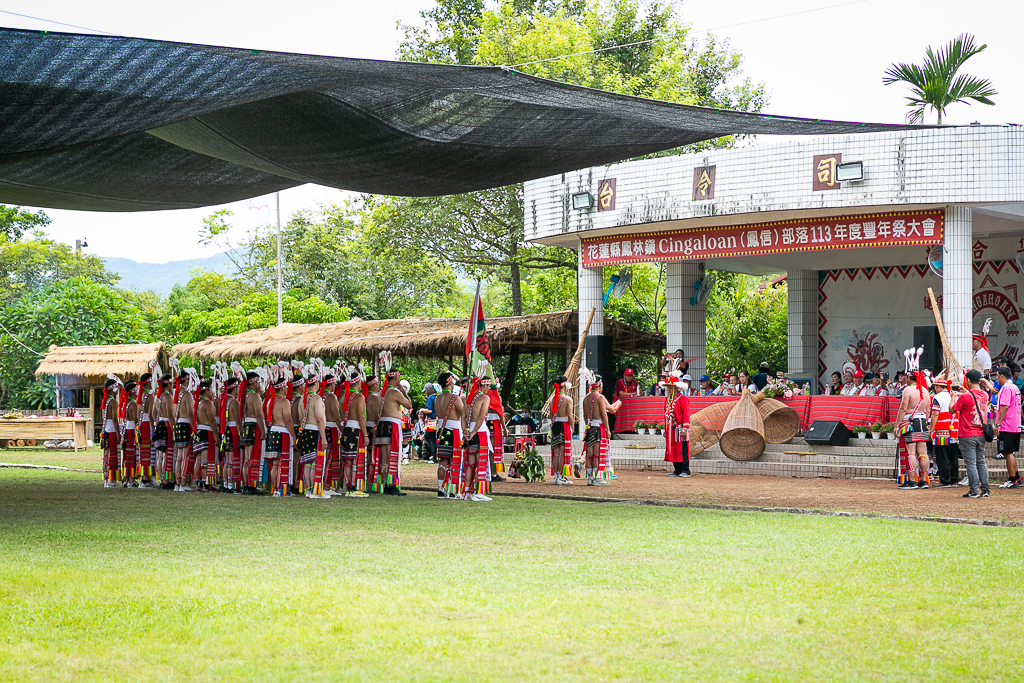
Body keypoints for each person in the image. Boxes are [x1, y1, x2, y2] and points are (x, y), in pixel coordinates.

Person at [952, 370, 990, 498]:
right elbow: (974, 398)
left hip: (967, 434)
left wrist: (953, 397)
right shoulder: (985, 395)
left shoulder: (965, 397)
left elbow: (952, 409)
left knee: (971, 464)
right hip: (981, 433)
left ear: (968, 380)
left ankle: (974, 490)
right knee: (981, 462)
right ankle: (985, 489)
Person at [894, 368, 932, 489]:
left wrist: (897, 425)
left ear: (909, 377)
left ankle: (911, 481)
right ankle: (923, 480)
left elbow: (903, 409)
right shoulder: (925, 391)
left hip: (911, 422)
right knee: (923, 452)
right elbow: (927, 410)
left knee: (911, 452)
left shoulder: (908, 390)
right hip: (923, 422)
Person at [376, 368, 412, 496]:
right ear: (396, 379)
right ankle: (392, 486)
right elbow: (409, 405)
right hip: (392, 426)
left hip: (382, 425)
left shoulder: (381, 392)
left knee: (384, 458)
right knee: (393, 456)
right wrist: (404, 392)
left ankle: (386, 484)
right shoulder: (395, 392)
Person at [462, 376, 493, 502]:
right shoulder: (485, 398)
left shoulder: (467, 399)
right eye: (489, 386)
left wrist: (466, 432)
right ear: (484, 385)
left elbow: (463, 418)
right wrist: (474, 432)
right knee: (481, 463)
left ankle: (467, 493)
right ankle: (478, 493)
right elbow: (481, 417)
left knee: (470, 464)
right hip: (479, 433)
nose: (489, 389)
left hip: (469, 433)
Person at [991, 366, 1023, 489]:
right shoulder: (1015, 387)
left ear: (1003, 377)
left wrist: (997, 424)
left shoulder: (1006, 389)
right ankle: (1017, 477)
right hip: (1015, 424)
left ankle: (1012, 479)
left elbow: (1004, 407)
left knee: (1007, 452)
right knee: (1010, 452)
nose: (997, 379)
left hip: (1006, 425)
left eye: (998, 376)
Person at [339, 369, 369, 497]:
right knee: (356, 458)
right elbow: (361, 417)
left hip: (346, 430)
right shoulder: (359, 397)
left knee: (348, 459)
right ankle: (355, 486)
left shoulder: (343, 397)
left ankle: (348, 485)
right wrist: (366, 435)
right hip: (356, 430)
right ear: (357, 383)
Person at [298, 374, 329, 499]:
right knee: (315, 462)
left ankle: (309, 490)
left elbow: (301, 419)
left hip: (305, 432)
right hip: (315, 432)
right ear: (315, 384)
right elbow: (319, 418)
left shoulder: (302, 399)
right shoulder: (316, 399)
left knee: (307, 463)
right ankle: (315, 491)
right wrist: (324, 437)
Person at [434, 371, 464, 499]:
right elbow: (463, 413)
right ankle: (453, 490)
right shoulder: (454, 398)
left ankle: (441, 489)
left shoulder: (437, 398)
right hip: (453, 432)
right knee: (454, 460)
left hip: (441, 431)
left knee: (442, 461)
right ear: (450, 383)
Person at [264, 375, 295, 497]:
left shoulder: (269, 403)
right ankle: (281, 489)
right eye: (286, 387)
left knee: (275, 463)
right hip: (282, 433)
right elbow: (288, 420)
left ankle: (276, 489)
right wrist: (294, 436)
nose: (287, 389)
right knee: (283, 461)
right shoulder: (284, 401)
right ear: (282, 388)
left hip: (272, 431)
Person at [582, 375, 616, 486]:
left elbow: (585, 415)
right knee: (597, 454)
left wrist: (588, 425)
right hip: (598, 428)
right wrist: (607, 429)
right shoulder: (600, 397)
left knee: (589, 454)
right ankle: (597, 478)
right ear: (599, 385)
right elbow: (604, 415)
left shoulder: (586, 398)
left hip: (589, 427)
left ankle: (590, 478)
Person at [239, 371, 267, 496]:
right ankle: (251, 485)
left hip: (246, 426)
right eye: (258, 382)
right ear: (254, 382)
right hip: (254, 426)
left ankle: (246, 484)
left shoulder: (243, 395)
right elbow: (259, 415)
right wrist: (263, 431)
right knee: (252, 457)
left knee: (246, 458)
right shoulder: (254, 396)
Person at [929, 378, 960, 487]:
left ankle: (945, 480)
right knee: (953, 456)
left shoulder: (937, 397)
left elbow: (935, 414)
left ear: (938, 387)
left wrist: (931, 430)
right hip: (954, 431)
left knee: (942, 456)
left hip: (942, 430)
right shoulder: (955, 396)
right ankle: (954, 480)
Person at [547, 375, 575, 485]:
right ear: (564, 385)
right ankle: (560, 477)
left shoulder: (552, 399)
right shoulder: (568, 399)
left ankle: (556, 476)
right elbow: (570, 416)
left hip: (555, 425)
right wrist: (572, 426)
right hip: (564, 426)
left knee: (556, 452)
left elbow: (550, 416)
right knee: (562, 453)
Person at [193, 380, 220, 493]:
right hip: (206, 432)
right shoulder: (207, 403)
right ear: (207, 390)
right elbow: (212, 421)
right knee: (205, 460)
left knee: (198, 460)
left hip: (198, 432)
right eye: (211, 389)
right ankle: (205, 484)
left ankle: (199, 483)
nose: (212, 391)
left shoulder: (198, 402)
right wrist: (216, 435)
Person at [665, 378, 691, 477]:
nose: (667, 389)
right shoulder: (668, 399)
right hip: (671, 430)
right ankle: (677, 469)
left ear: (676, 387)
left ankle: (685, 470)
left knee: (682, 449)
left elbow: (686, 413)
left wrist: (685, 428)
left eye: (669, 387)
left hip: (680, 428)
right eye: (667, 387)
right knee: (674, 449)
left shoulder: (683, 399)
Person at [174, 376, 195, 492]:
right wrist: (194, 427)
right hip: (185, 425)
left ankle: (178, 484)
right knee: (185, 456)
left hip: (178, 424)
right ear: (186, 380)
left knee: (179, 457)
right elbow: (190, 413)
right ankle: (183, 483)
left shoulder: (176, 393)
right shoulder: (186, 394)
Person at [221, 377, 243, 493]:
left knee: (227, 459)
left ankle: (226, 484)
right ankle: (232, 485)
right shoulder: (234, 402)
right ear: (234, 388)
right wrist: (241, 433)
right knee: (233, 459)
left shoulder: (225, 400)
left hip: (227, 430)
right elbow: (238, 421)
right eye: (237, 387)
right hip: (234, 430)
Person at [154, 373, 175, 489]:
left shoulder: (159, 397)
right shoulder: (167, 396)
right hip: (166, 424)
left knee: (160, 454)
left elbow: (153, 413)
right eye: (171, 384)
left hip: (159, 424)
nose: (172, 386)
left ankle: (162, 479)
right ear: (168, 384)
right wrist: (174, 428)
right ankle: (166, 481)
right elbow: (170, 415)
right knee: (167, 453)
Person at [136, 373, 156, 489]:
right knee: (149, 451)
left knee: (143, 451)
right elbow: (152, 414)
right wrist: (154, 428)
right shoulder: (149, 395)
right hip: (148, 424)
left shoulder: (142, 394)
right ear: (149, 382)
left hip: (142, 425)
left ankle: (144, 478)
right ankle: (146, 479)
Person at [121, 380, 139, 488]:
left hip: (127, 430)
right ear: (132, 392)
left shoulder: (126, 403)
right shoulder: (133, 404)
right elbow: (136, 419)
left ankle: (126, 478)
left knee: (127, 456)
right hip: (131, 431)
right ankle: (131, 480)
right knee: (131, 456)